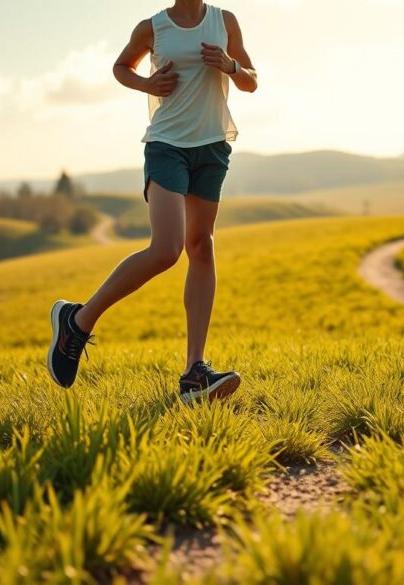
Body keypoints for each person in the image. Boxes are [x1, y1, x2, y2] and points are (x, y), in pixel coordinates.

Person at [47, 0, 257, 404]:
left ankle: (195, 372)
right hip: (167, 146)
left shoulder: (225, 21)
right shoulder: (153, 27)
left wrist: (229, 66)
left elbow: (251, 81)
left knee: (202, 246)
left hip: (212, 147)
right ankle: (78, 320)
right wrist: (146, 84)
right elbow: (121, 66)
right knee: (166, 249)